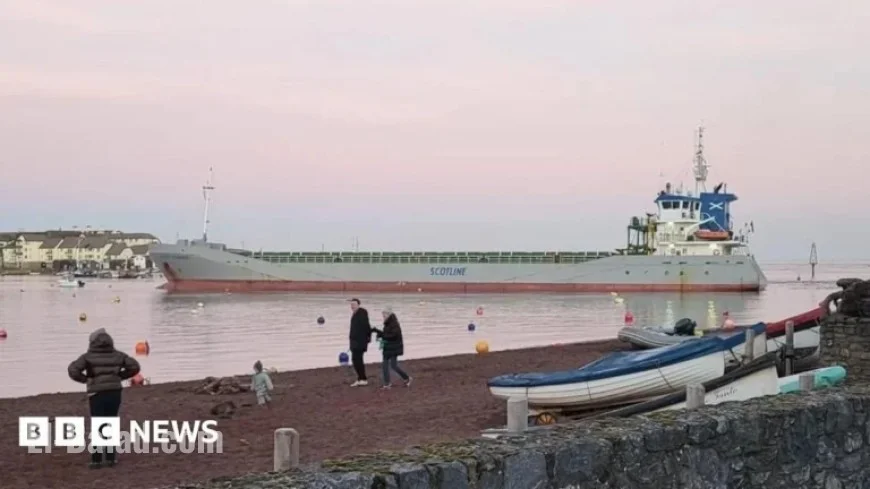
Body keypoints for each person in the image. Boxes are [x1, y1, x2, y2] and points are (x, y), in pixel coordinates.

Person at [67, 328, 141, 469]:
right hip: (114, 392)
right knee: (111, 422)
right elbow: (134, 367)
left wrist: (86, 380)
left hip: (96, 393)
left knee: (98, 424)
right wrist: (119, 377)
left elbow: (73, 370)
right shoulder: (118, 355)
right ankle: (111, 458)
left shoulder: (87, 357)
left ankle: (96, 460)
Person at [372, 306, 411, 389]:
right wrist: (377, 332)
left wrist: (382, 335)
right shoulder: (387, 323)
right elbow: (386, 334)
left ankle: (406, 378)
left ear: (389, 314)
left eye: (385, 314)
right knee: (386, 365)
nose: (383, 316)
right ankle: (387, 383)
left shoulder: (394, 324)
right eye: (383, 314)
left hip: (394, 348)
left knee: (393, 365)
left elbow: (393, 336)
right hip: (388, 347)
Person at [348, 298, 372, 386]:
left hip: (360, 342)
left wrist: (367, 339)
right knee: (356, 360)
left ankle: (363, 379)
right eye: (351, 304)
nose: (352, 306)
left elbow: (366, 327)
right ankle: (361, 378)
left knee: (357, 360)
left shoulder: (362, 313)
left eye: (354, 304)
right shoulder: (355, 314)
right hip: (355, 342)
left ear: (358, 305)